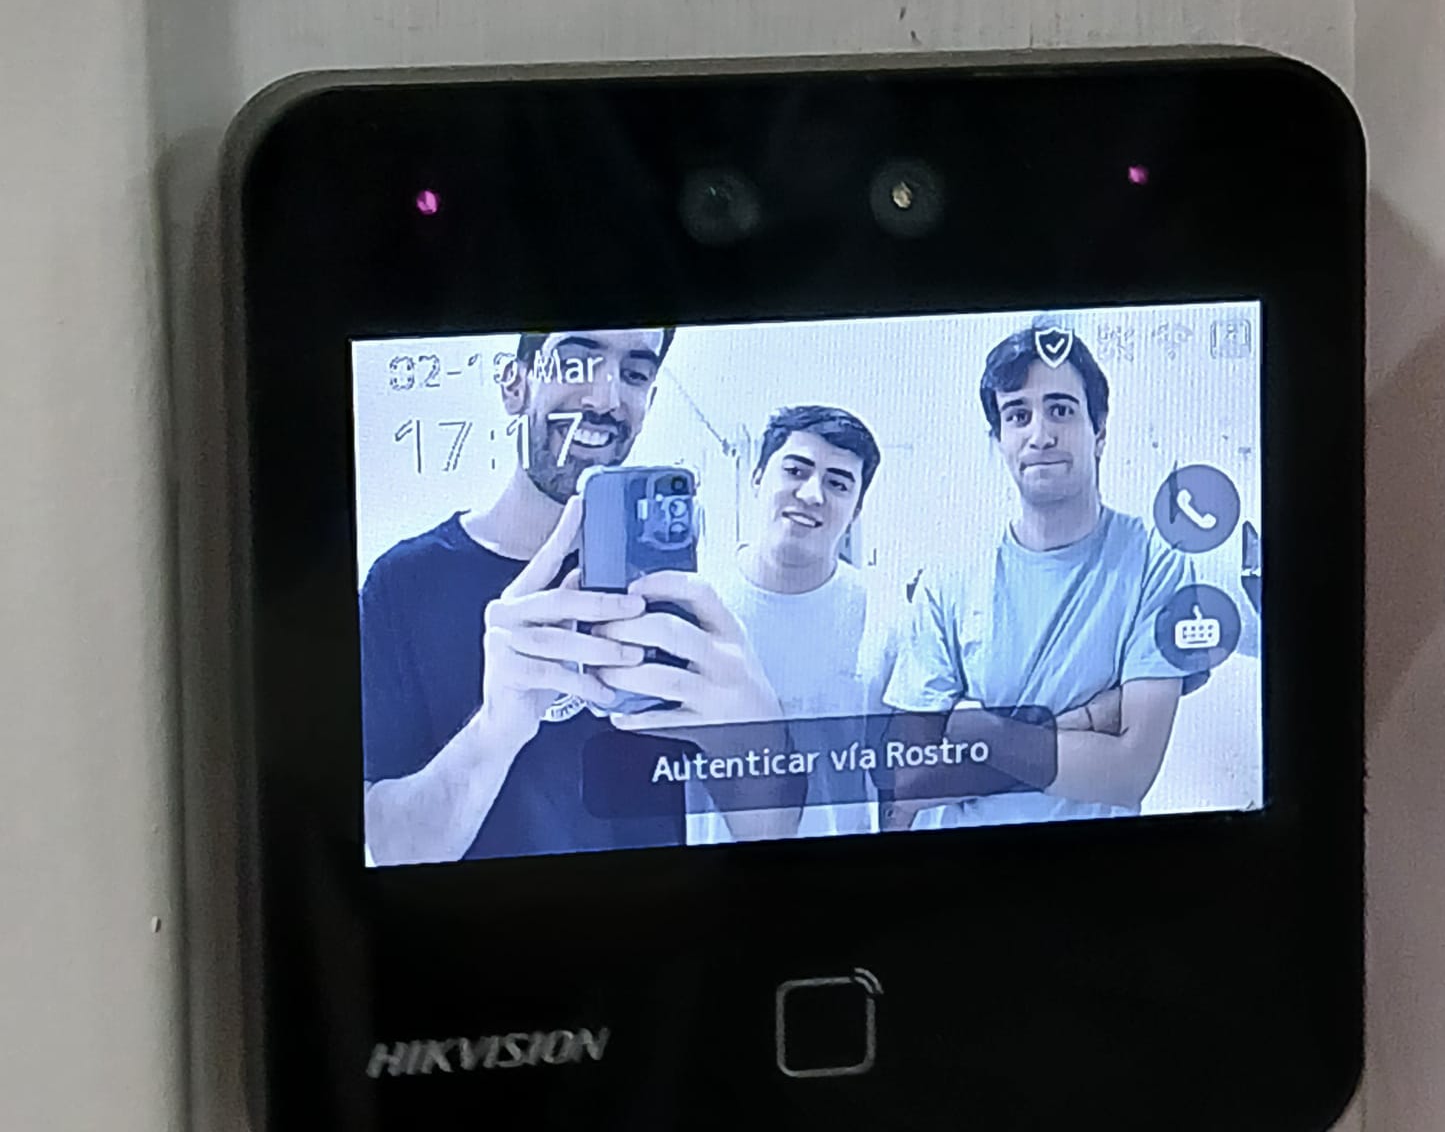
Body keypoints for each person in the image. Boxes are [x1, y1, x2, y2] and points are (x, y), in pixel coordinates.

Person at [360, 328, 787, 865]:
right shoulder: (403, 583)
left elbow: (773, 828)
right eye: (576, 363)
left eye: (634, 373)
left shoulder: (678, 596)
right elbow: (393, 850)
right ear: (514, 385)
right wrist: (494, 731)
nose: (605, 398)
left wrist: (756, 744)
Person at [883, 325, 1194, 829]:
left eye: (1061, 410)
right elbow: (912, 779)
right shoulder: (949, 579)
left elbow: (1128, 772)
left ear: (1099, 431)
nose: (1040, 435)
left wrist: (978, 730)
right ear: (999, 439)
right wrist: (1084, 723)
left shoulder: (1156, 564)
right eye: (1017, 415)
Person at [689, 405, 894, 841]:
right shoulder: (698, 603)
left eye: (838, 483)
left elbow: (896, 772)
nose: (812, 494)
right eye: (796, 471)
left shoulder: (883, 616)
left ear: (857, 509)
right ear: (757, 477)